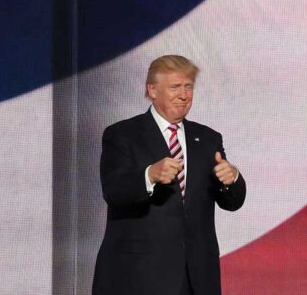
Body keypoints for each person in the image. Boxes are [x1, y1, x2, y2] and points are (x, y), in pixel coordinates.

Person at [93, 55, 246, 295]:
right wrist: (149, 176)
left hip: (196, 277)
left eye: (188, 87)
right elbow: (114, 191)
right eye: (175, 87)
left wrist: (233, 178)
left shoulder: (208, 139)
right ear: (152, 90)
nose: (184, 95)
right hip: (139, 276)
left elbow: (232, 202)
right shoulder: (122, 135)